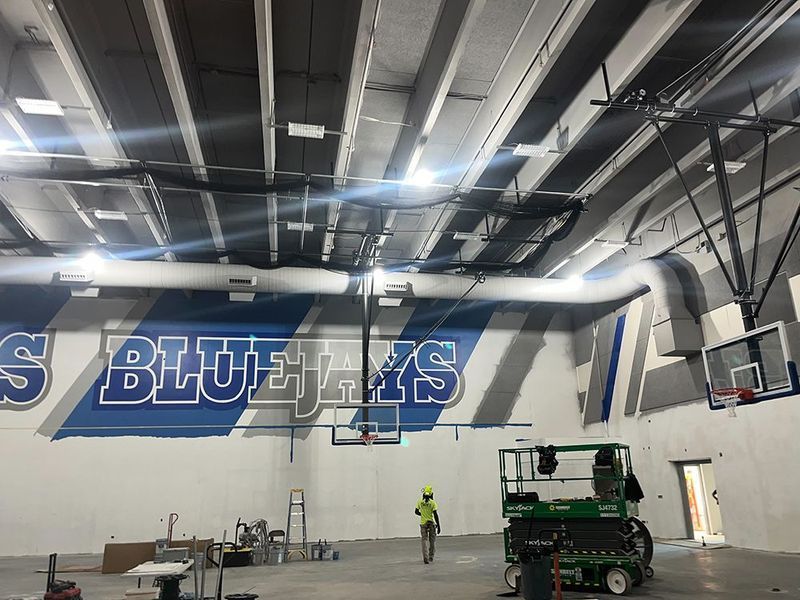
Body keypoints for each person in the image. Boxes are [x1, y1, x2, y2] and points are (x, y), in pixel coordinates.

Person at [414, 485, 441, 564]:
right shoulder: (433, 503)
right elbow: (435, 515)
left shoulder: (420, 501)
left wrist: (422, 514)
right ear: (431, 494)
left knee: (424, 540)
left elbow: (416, 511)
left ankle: (425, 558)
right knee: (432, 540)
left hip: (423, 523)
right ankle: (431, 557)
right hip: (431, 523)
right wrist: (439, 526)